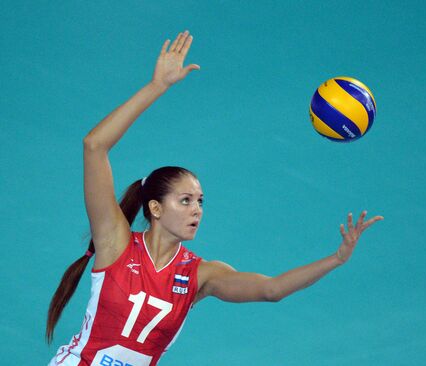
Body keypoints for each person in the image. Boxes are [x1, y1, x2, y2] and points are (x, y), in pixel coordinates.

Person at [46, 30, 383, 366]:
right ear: (155, 208)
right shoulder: (115, 243)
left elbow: (272, 290)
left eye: (200, 201)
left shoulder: (199, 275)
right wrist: (158, 86)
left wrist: (336, 259)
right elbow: (94, 146)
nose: (197, 210)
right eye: (186, 200)